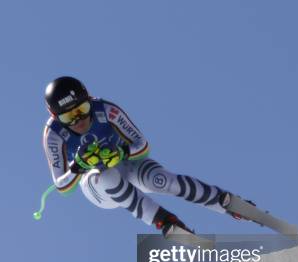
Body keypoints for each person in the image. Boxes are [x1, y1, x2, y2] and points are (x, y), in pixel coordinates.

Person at [42, 76, 247, 236]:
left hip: (125, 163)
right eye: (68, 116)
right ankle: (165, 221)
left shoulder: (105, 109)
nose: (79, 120)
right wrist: (77, 166)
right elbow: (62, 187)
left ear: (89, 100)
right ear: (54, 116)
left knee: (160, 180)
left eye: (82, 109)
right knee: (107, 176)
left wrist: (122, 152)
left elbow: (143, 146)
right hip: (97, 186)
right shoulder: (53, 134)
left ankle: (224, 201)